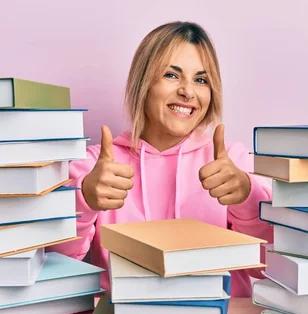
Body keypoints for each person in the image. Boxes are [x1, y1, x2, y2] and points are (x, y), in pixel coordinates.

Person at [49, 21, 273, 297]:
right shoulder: (96, 167)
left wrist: (247, 197)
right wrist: (83, 199)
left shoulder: (233, 164)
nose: (188, 92)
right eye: (171, 75)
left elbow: (270, 268)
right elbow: (56, 266)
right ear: (143, 82)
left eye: (201, 80)